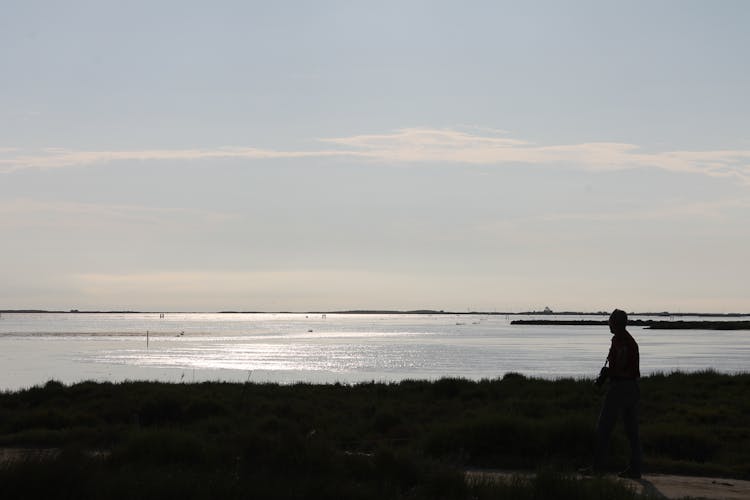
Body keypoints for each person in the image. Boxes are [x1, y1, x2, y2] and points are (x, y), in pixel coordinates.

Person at [585, 308, 643, 479]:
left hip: (620, 388)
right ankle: (635, 469)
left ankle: (598, 468)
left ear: (616, 323)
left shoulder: (622, 342)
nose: (608, 323)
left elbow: (621, 368)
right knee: (632, 431)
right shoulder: (623, 340)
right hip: (631, 388)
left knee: (603, 429)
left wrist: (608, 374)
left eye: (610, 320)